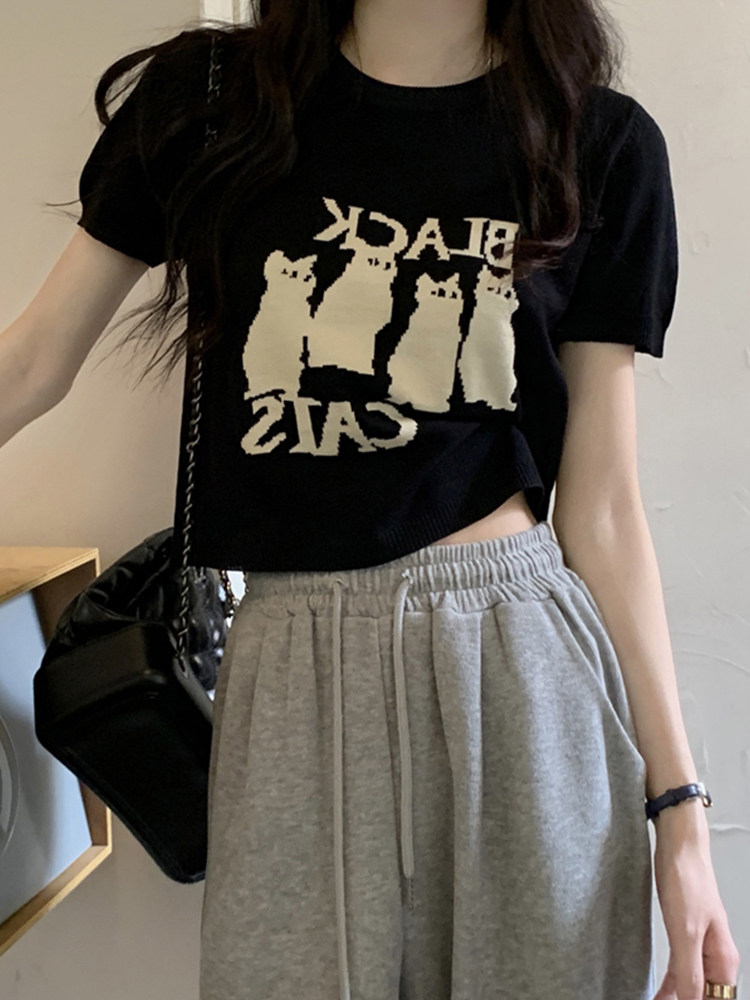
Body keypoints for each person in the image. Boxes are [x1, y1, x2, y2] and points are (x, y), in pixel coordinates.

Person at [1, 1, 740, 999]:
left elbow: (603, 508)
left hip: (519, 668)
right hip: (290, 666)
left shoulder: (593, 141)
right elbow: (32, 362)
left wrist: (681, 815)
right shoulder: (215, 103)